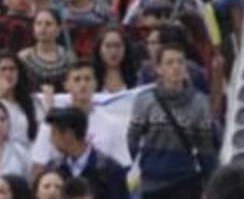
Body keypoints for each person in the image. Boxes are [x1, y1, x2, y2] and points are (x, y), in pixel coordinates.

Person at [127, 41, 216, 199]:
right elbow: (132, 140)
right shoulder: (144, 100)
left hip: (185, 181)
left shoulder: (199, 102)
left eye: (180, 62)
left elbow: (205, 148)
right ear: (159, 69)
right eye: (169, 62)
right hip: (151, 181)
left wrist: (210, 183)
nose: (176, 67)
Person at [45, 106, 128, 199]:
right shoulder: (53, 169)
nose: (51, 139)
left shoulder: (109, 170)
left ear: (69, 134)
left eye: (54, 133)